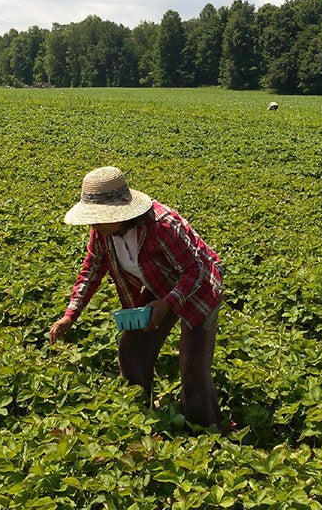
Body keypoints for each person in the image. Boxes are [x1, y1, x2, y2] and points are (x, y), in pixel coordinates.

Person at [49, 166, 223, 428]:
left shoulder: (161, 225)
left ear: (120, 212)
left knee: (193, 367)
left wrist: (167, 304)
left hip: (199, 286)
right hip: (159, 283)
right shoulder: (103, 232)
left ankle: (205, 431)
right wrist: (69, 315)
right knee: (132, 351)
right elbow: (91, 271)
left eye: (100, 218)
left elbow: (193, 269)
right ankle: (142, 416)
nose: (94, 224)